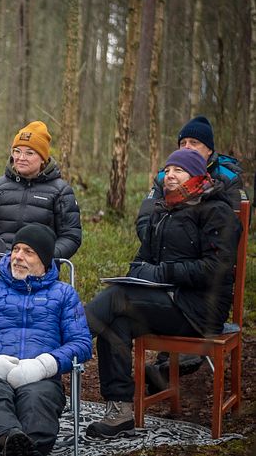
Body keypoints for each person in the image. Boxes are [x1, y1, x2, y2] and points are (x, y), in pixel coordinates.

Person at [84, 149, 240, 439]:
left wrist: (163, 273)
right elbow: (140, 260)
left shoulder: (217, 212)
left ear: (197, 176)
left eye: (178, 170)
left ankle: (60, 342)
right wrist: (138, 274)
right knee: (113, 321)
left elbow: (215, 268)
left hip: (199, 310)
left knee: (117, 298)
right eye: (167, 170)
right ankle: (120, 411)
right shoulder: (163, 211)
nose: (169, 175)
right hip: (163, 302)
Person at [0, 224, 92, 456]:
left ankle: (4, 447)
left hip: (41, 377)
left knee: (38, 399)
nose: (17, 256)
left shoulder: (64, 294)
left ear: (44, 260)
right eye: (15, 249)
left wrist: (44, 365)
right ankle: (12, 443)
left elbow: (82, 343)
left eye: (28, 251)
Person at [135, 115, 248, 389]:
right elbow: (145, 219)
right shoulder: (167, 175)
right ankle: (163, 368)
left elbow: (232, 230)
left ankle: (168, 366)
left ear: (209, 149)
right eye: (182, 142)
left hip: (206, 277)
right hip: (166, 260)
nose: (187, 147)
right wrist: (162, 238)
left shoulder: (227, 178)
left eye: (194, 142)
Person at [0, 121, 81, 285]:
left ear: (42, 158)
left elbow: (71, 236)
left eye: (29, 153)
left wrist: (45, 255)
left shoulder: (61, 192)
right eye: (16, 151)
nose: (20, 158)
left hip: (40, 274)